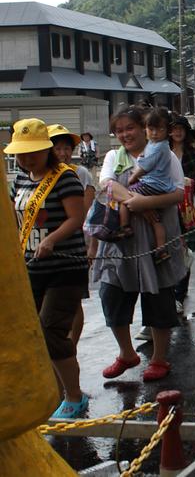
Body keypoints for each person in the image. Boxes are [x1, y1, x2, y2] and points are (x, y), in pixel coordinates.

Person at [94, 105, 186, 383]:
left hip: (156, 238)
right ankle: (126, 353)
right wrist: (135, 203)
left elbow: (179, 193)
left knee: (159, 299)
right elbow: (106, 184)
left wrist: (147, 203)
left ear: (145, 128)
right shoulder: (113, 156)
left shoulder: (165, 155)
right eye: (119, 130)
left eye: (129, 128)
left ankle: (159, 358)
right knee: (111, 295)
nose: (124, 135)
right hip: (121, 242)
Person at [7, 118, 89, 418]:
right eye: (21, 153)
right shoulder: (21, 179)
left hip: (65, 267)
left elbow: (75, 219)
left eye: (33, 152)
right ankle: (54, 391)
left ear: (47, 150)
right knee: (36, 334)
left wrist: (52, 239)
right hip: (32, 267)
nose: (26, 158)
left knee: (50, 330)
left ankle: (75, 396)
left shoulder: (65, 178)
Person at [48, 124, 95, 349]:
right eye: (58, 149)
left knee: (73, 302)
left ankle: (71, 347)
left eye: (67, 148)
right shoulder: (38, 175)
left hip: (74, 246)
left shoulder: (80, 173)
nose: (63, 153)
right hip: (46, 249)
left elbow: (86, 213)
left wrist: (89, 247)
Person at [121, 107, 177, 252]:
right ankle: (161, 248)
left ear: (167, 130)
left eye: (159, 129)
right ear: (145, 128)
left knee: (126, 196)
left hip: (152, 184)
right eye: (150, 129)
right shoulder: (157, 145)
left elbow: (145, 166)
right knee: (156, 220)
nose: (154, 133)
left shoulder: (158, 147)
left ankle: (124, 226)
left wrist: (133, 176)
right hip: (161, 186)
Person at [169, 114, 195, 313]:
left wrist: (193, 183)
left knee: (185, 252)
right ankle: (170, 293)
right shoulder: (163, 153)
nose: (177, 132)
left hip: (187, 209)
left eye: (180, 129)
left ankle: (179, 293)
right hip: (166, 207)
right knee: (168, 250)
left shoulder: (192, 153)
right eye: (174, 129)